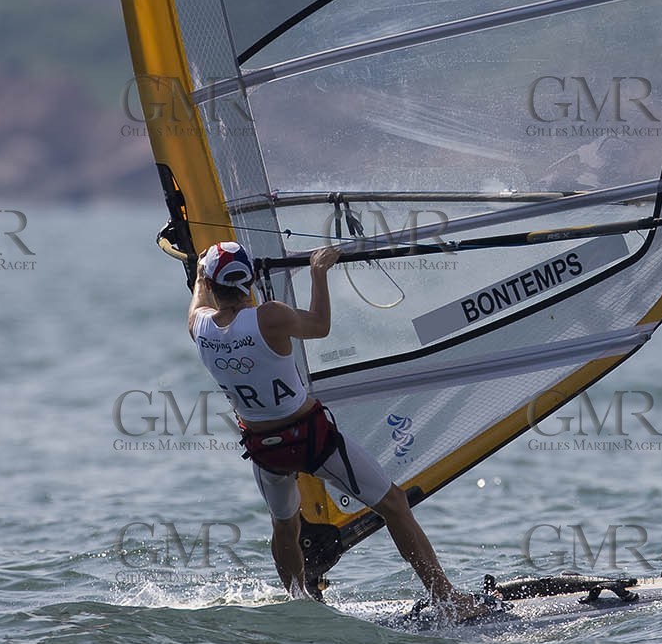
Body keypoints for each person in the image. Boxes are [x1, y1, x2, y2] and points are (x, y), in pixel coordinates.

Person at [186, 240, 481, 617]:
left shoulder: (200, 326)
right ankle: (447, 599)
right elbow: (320, 326)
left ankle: (299, 605)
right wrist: (319, 271)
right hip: (312, 438)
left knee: (285, 528)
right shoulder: (270, 316)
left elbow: (198, 299)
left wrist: (199, 276)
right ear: (252, 280)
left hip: (265, 449)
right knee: (393, 503)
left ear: (210, 284)